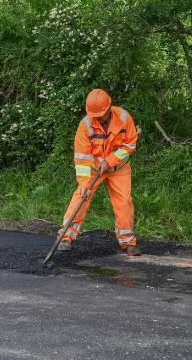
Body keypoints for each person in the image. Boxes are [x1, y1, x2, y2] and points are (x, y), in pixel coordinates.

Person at [58, 89, 140, 256]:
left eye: (100, 114)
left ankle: (128, 242)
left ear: (109, 107)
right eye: (93, 114)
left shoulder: (124, 118)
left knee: (124, 202)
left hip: (119, 168)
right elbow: (82, 157)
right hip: (95, 169)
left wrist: (109, 161)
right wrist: (83, 183)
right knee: (81, 196)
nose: (96, 118)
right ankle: (66, 237)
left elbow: (130, 145)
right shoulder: (85, 125)